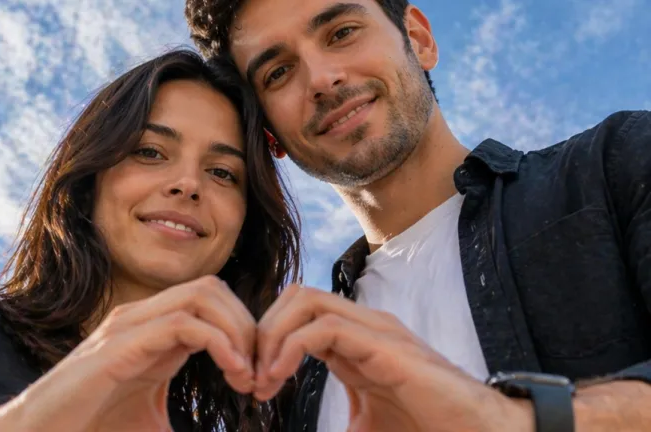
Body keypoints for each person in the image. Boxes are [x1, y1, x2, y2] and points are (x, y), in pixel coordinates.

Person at [184, 0, 651, 430]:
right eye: (279, 72)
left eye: (342, 32)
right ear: (270, 136)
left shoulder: (617, 165)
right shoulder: (297, 380)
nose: (322, 78)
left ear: (419, 38)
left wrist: (514, 419)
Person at [0, 49, 302, 432]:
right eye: (151, 152)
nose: (189, 184)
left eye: (223, 173)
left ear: (244, 229)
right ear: (90, 181)